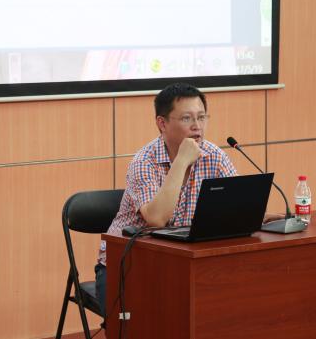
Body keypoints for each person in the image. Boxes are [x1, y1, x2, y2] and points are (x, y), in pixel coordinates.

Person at [94, 82, 237, 318]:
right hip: (130, 265)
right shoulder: (144, 162)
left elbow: (237, 206)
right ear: (162, 123)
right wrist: (181, 161)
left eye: (202, 117)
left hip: (182, 261)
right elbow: (157, 218)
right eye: (187, 118)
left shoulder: (215, 156)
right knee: (139, 329)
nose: (197, 126)